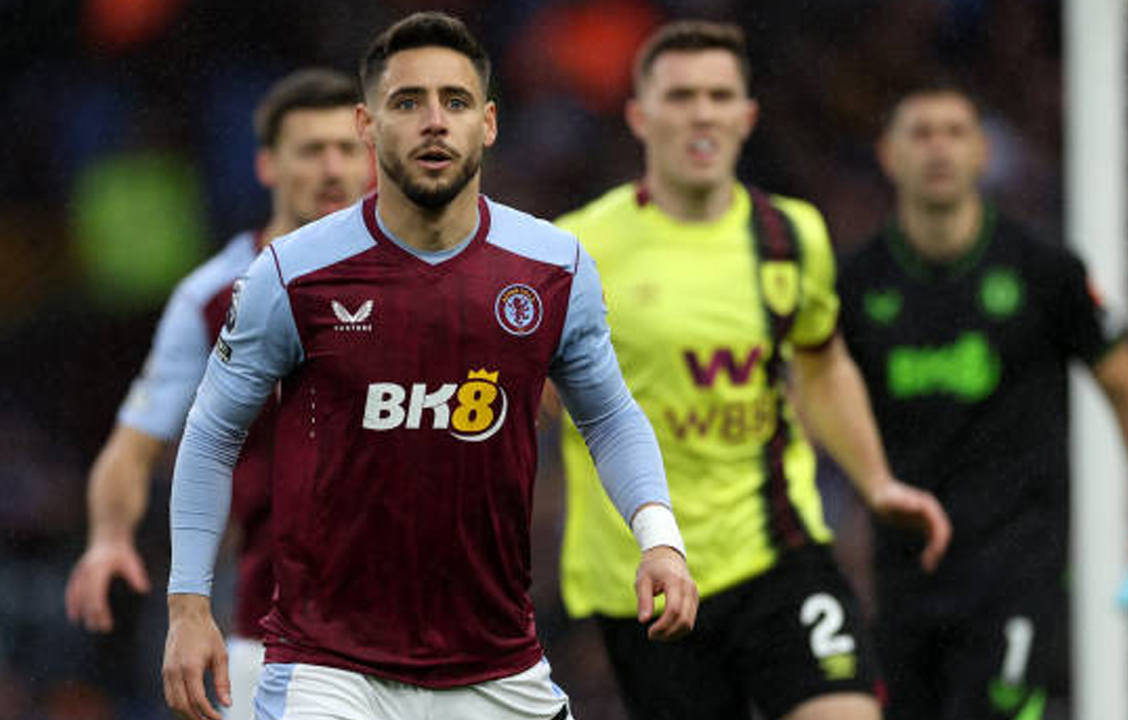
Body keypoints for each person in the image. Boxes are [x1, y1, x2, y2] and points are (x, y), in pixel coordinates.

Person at [161, 12, 697, 720]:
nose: (434, 122)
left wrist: (661, 539)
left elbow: (608, 415)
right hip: (330, 668)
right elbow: (211, 433)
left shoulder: (552, 268)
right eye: (407, 102)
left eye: (456, 101)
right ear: (367, 126)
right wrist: (188, 606)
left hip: (496, 665)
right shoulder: (292, 274)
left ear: (490, 123)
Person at [554, 21, 951, 720]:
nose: (702, 112)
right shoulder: (578, 248)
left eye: (718, 95)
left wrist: (876, 480)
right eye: (680, 96)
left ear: (747, 116)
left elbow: (821, 365)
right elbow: (534, 395)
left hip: (778, 548)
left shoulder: (792, 235)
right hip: (643, 573)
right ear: (640, 117)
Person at [837, 86, 1128, 720]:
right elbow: (816, 396)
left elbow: (1127, 385)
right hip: (903, 578)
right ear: (888, 155)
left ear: (982, 151)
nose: (939, 148)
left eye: (954, 131)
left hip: (1018, 571)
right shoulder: (857, 284)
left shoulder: (1044, 271)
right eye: (920, 133)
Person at [64, 68, 370, 719]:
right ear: (266, 165)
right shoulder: (211, 298)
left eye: (349, 149)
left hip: (420, 619)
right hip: (271, 625)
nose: (333, 168)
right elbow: (133, 444)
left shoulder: (425, 278)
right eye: (311, 150)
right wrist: (109, 534)